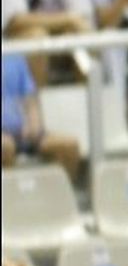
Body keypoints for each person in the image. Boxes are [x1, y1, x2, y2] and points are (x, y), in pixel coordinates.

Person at [1, 47, 82, 175]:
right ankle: (9, 195)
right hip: (4, 138)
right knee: (5, 147)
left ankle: (59, 195)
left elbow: (30, 98)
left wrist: (34, 123)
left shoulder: (14, 54)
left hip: (23, 132)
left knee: (68, 146)